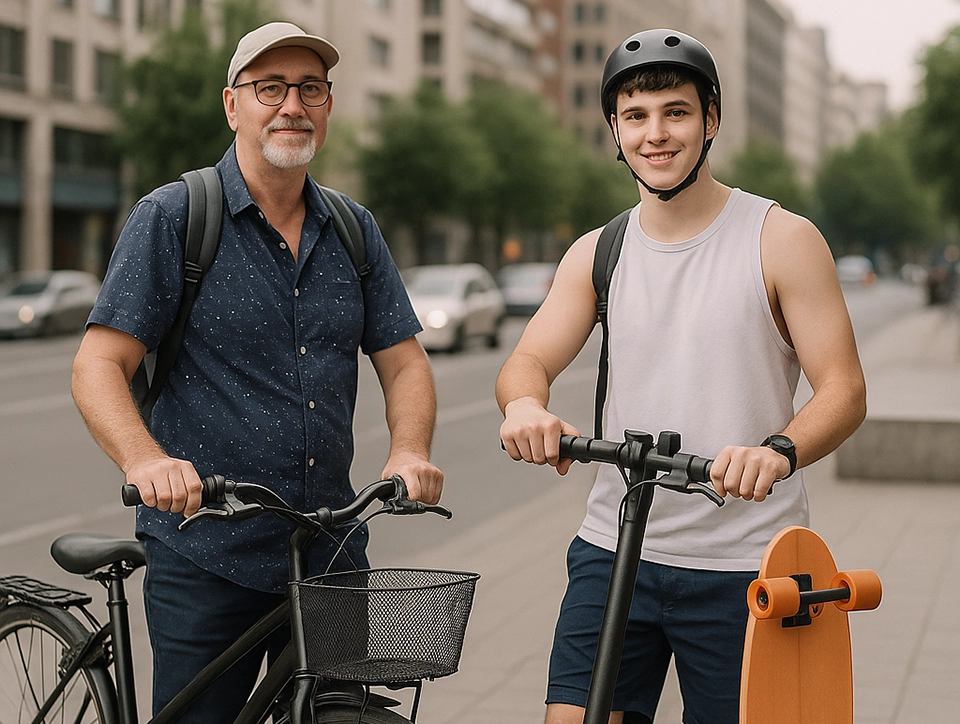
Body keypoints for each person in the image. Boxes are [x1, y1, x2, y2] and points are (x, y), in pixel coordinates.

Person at [71, 22, 442, 722]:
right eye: (269, 87)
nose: (291, 104)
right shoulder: (175, 217)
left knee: (341, 712)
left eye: (309, 88)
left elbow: (404, 362)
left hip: (329, 548)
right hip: (208, 551)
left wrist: (411, 450)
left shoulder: (353, 228)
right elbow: (97, 364)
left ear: (329, 106)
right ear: (232, 105)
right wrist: (147, 460)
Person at [496, 29, 866, 724]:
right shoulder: (598, 250)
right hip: (614, 549)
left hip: (746, 562)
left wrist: (776, 451)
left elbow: (844, 389)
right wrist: (523, 405)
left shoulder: (781, 238)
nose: (655, 134)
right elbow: (528, 361)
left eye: (676, 111)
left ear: (711, 120)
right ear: (615, 128)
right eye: (636, 116)